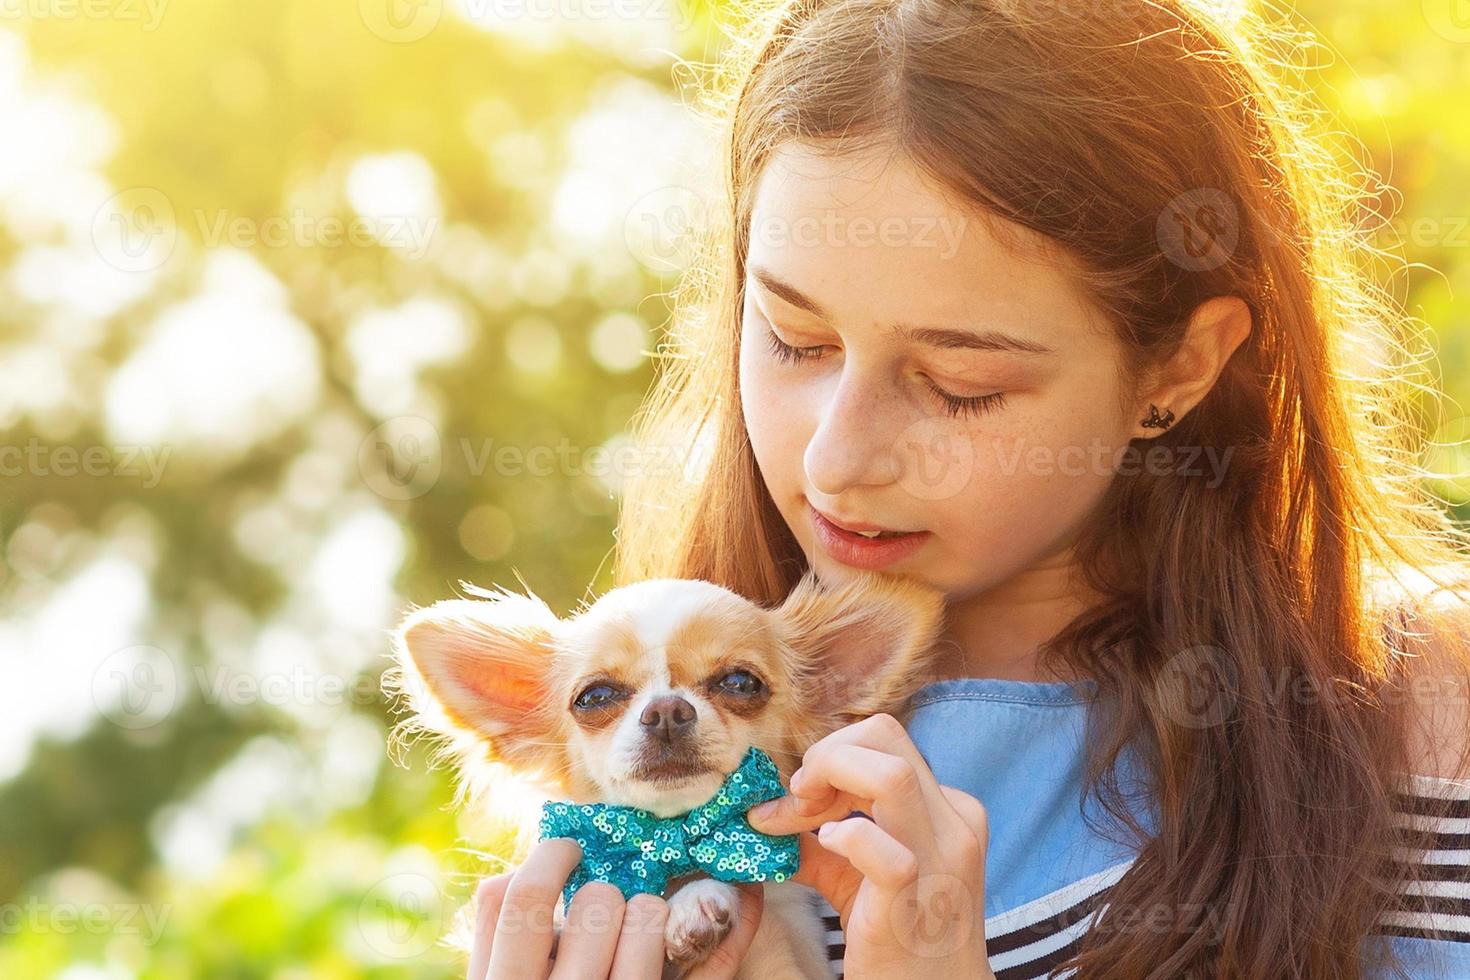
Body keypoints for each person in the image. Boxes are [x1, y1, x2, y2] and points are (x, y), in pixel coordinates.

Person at [465, 0, 1470, 975]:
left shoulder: (1419, 716)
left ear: (1178, 367)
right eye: (795, 339)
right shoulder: (637, 757)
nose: (836, 459)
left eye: (960, 384)